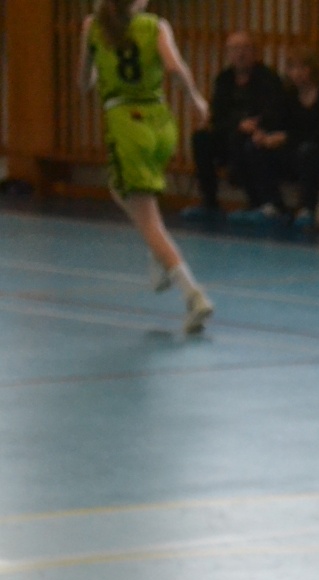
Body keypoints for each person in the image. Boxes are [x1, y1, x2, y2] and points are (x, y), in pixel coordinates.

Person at [80, 0, 214, 333]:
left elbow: (83, 83)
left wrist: (97, 70)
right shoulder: (156, 26)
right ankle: (157, 257)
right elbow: (175, 68)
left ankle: (192, 293)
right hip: (161, 124)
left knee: (148, 221)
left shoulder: (92, 26)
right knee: (126, 194)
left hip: (128, 124)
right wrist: (196, 99)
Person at [235, 49, 319, 228]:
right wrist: (263, 134)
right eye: (292, 68)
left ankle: (309, 208)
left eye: (302, 68)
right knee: (254, 147)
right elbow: (276, 120)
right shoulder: (288, 95)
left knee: (308, 151)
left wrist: (286, 138)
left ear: (312, 69)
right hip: (296, 152)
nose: (297, 73)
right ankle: (272, 206)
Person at [181, 30, 287, 220]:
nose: (240, 53)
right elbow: (217, 115)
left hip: (258, 134)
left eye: (245, 48)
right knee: (201, 138)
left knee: (249, 143)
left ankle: (260, 203)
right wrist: (237, 123)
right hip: (229, 133)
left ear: (255, 52)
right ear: (228, 53)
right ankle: (209, 202)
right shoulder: (224, 79)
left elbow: (276, 112)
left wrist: (256, 125)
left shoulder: (268, 78)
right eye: (235, 49)